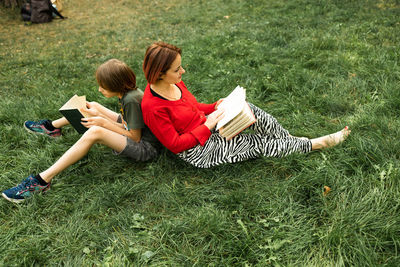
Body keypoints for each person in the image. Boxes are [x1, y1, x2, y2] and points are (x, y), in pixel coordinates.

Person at [141, 42, 351, 168]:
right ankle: (317, 143)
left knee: (250, 111)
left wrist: (215, 106)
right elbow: (175, 144)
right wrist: (207, 126)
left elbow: (193, 107)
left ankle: (288, 141)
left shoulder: (174, 82)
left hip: (209, 126)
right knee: (258, 143)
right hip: (199, 150)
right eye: (177, 69)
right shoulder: (152, 106)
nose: (183, 72)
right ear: (160, 73)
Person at [2, 59, 159, 203]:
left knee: (95, 131)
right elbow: (128, 125)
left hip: (145, 148)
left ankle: (41, 181)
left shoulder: (131, 100)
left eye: (103, 86)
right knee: (93, 106)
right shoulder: (128, 93)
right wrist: (100, 117)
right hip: (136, 133)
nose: (99, 89)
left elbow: (135, 136)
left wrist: (104, 123)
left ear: (116, 84)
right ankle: (51, 128)